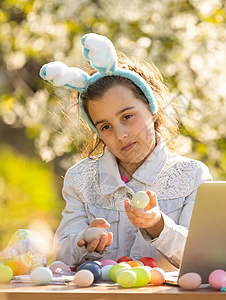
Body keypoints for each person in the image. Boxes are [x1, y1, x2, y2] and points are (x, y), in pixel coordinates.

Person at [40, 33, 212, 270]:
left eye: (127, 116)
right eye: (106, 127)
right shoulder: (80, 179)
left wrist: (158, 226)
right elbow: (61, 253)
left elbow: (201, 256)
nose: (121, 134)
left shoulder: (192, 175)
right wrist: (83, 242)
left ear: (153, 108)